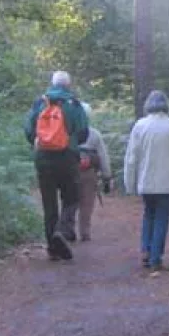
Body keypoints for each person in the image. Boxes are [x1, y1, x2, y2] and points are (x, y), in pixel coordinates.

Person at [24, 70, 89, 261]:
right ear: (68, 85)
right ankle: (62, 230)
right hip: (67, 157)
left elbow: (28, 129)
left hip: (43, 157)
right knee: (72, 197)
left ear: (52, 84)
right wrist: (73, 141)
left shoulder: (40, 103)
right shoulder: (74, 104)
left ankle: (53, 249)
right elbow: (84, 132)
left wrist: (38, 142)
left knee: (49, 203)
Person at [124, 90, 169, 271]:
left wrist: (129, 183)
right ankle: (155, 258)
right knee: (162, 218)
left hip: (146, 181)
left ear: (148, 105)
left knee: (148, 215)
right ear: (166, 105)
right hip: (168, 183)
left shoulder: (140, 126)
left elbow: (131, 158)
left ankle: (145, 249)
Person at [75, 104, 113, 242]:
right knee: (87, 203)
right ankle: (84, 232)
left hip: (70, 171)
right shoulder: (95, 134)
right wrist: (107, 175)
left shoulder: (67, 132)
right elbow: (103, 156)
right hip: (89, 172)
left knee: (70, 201)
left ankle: (67, 230)